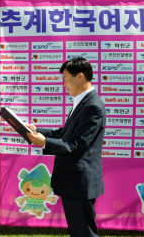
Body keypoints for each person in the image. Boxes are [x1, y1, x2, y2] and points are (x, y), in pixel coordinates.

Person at [26, 57, 106, 237]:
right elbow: (65, 133)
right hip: (73, 182)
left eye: (65, 78)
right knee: (78, 231)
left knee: (83, 232)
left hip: (80, 183)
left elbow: (76, 144)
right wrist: (38, 131)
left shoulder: (93, 106)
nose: (64, 84)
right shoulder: (83, 103)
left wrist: (44, 142)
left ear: (80, 77)